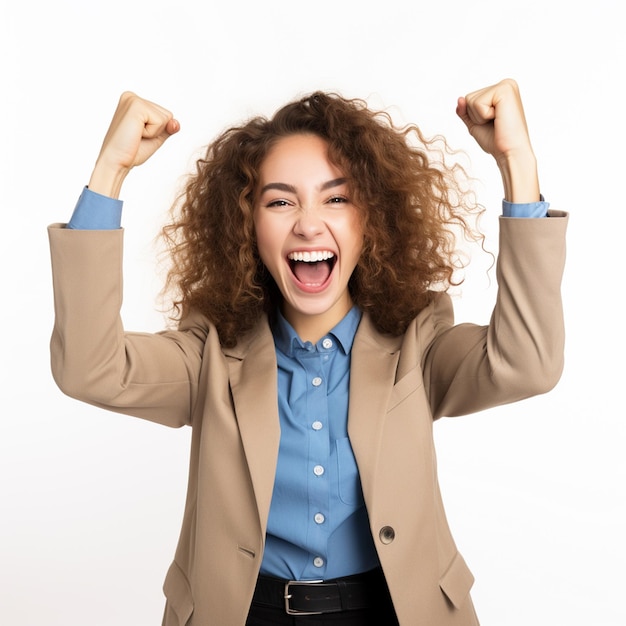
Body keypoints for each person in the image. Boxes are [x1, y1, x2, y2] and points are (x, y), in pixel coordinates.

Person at [48, 78, 567, 625]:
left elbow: (527, 362)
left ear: (372, 221)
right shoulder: (208, 358)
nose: (308, 223)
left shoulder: (420, 346)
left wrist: (516, 163)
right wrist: (111, 169)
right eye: (280, 201)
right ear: (247, 225)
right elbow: (90, 367)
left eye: (337, 198)